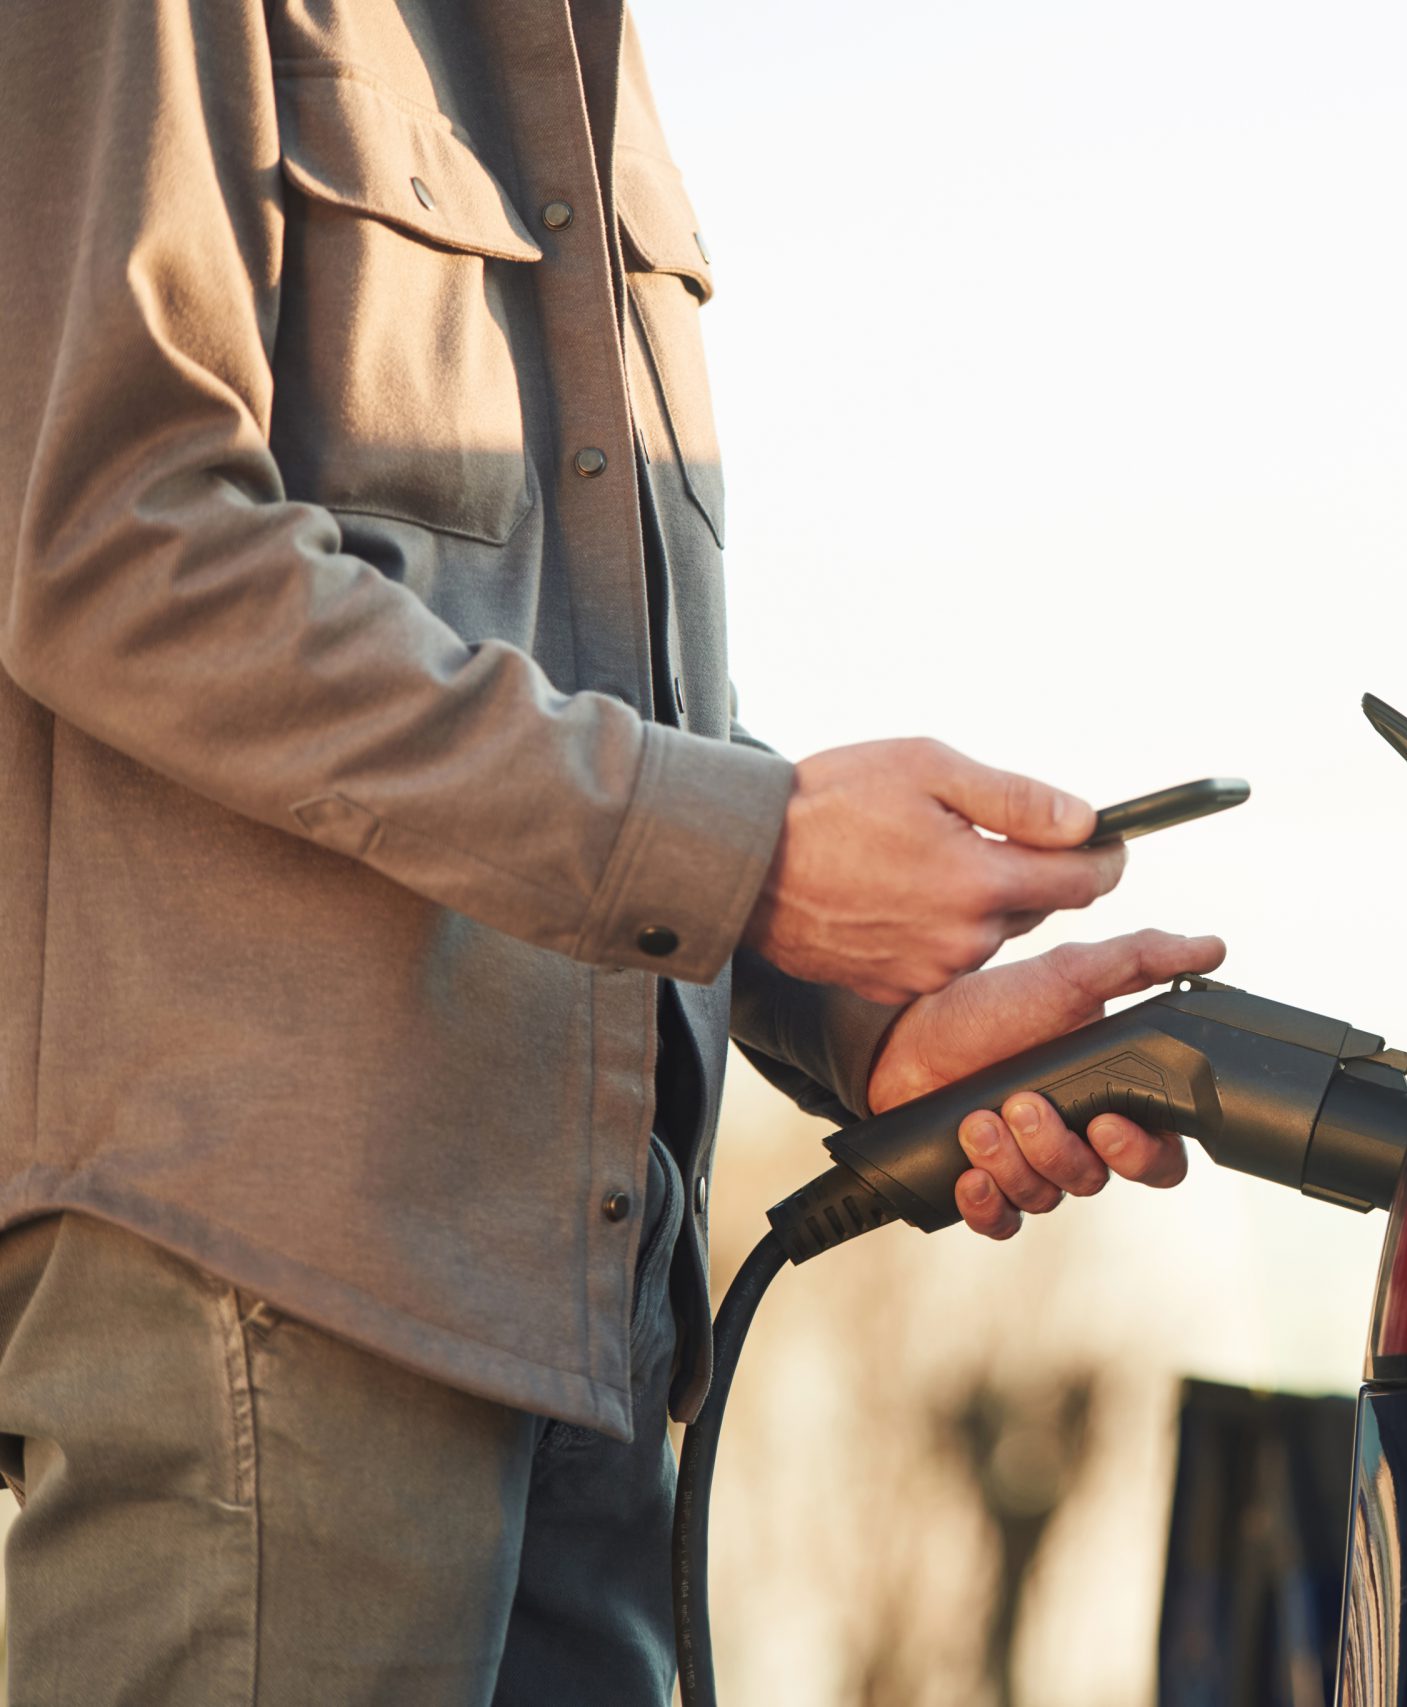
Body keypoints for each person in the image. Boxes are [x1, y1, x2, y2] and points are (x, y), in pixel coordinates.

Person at [0, 2, 1213, 1699]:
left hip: (600, 1330)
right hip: (272, 1300)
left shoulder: (597, 64)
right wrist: (753, 854)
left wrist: (860, 1016)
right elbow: (118, 548)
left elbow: (583, 698)